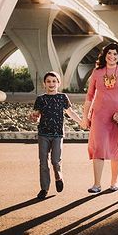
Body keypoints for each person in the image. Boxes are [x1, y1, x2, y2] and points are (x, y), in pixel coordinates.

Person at [81, 42, 118, 193]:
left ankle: (114, 182)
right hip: (99, 116)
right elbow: (89, 96)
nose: (112, 56)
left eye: (115, 54)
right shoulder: (97, 72)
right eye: (109, 53)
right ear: (105, 55)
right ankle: (96, 184)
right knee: (98, 148)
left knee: (116, 149)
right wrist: (85, 117)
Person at [29, 71, 82, 200]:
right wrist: (33, 117)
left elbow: (70, 112)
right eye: (48, 81)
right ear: (44, 84)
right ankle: (44, 189)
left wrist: (81, 122)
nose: (51, 84)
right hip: (43, 134)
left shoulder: (62, 97)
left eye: (54, 81)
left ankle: (58, 177)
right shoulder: (40, 99)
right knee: (43, 162)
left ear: (58, 83)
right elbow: (36, 115)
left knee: (55, 160)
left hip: (58, 134)